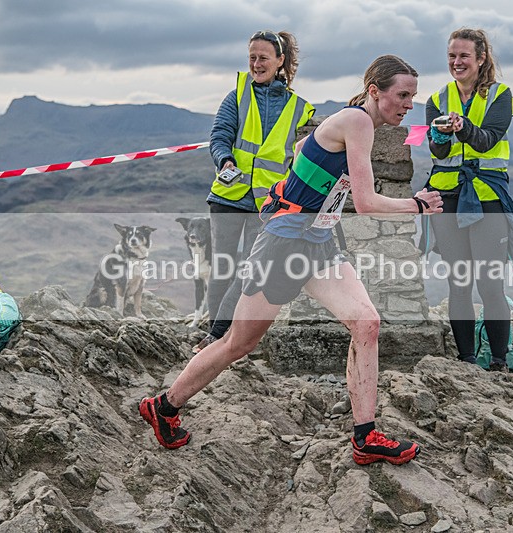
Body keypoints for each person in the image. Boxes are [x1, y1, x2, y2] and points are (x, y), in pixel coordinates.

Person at [140, 55, 443, 465]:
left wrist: (312, 178)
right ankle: (164, 406)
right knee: (238, 343)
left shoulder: (352, 123)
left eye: (413, 96)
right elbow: (367, 202)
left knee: (366, 322)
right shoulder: (357, 122)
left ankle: (366, 436)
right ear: (375, 91)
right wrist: (417, 205)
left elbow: (305, 146)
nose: (409, 104)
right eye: (403, 95)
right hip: (283, 245)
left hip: (318, 243)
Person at [423, 27, 513, 371]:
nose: (456, 62)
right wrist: (438, 134)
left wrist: (462, 128)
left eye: (463, 56)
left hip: (486, 196)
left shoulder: (500, 95)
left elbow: (488, 140)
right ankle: (466, 360)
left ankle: (500, 362)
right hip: (447, 196)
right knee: (458, 282)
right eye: (451, 56)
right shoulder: (437, 100)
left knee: (490, 282)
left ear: (481, 58)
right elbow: (437, 151)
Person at [197, 30, 315, 353]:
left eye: (263, 58)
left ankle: (222, 335)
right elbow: (220, 136)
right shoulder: (237, 94)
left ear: (280, 61)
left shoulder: (301, 109)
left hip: (268, 204)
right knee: (223, 266)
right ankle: (215, 332)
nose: (256, 64)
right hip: (228, 196)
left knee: (251, 270)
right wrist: (224, 160)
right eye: (252, 57)